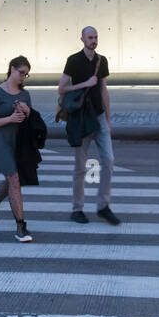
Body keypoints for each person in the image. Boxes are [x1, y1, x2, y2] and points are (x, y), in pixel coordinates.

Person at [59, 26, 119, 225]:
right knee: (80, 167)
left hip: (99, 117)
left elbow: (103, 89)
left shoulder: (102, 60)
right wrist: (84, 84)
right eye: (90, 37)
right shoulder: (73, 60)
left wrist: (109, 121)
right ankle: (78, 209)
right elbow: (62, 88)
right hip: (82, 119)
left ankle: (103, 206)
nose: (94, 40)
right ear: (82, 39)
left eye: (96, 37)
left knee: (109, 161)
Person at [0, 55, 37, 242]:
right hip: (0, 142)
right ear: (12, 69)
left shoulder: (25, 94)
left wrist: (26, 110)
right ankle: (21, 227)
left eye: (26, 74)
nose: (23, 77)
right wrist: (10, 119)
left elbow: (29, 117)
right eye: (21, 73)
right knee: (14, 179)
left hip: (18, 142)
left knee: (12, 180)